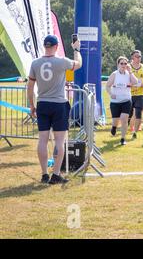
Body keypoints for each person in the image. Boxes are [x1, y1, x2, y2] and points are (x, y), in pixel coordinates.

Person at [27, 35, 82, 184]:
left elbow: (30, 86)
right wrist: (76, 49)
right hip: (58, 104)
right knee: (59, 141)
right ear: (56, 46)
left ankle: (44, 174)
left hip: (43, 103)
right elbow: (79, 64)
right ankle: (56, 174)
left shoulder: (35, 63)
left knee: (42, 140)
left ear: (45, 46)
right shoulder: (61, 61)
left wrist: (31, 105)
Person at [105, 56, 138, 145]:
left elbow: (135, 82)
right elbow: (107, 86)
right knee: (115, 120)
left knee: (124, 119)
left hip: (126, 100)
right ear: (118, 64)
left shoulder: (129, 74)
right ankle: (114, 127)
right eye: (121, 63)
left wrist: (131, 72)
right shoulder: (114, 74)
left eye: (125, 63)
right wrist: (111, 94)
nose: (123, 65)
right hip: (115, 102)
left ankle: (123, 139)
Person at [129, 50, 143, 139]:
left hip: (140, 93)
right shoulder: (128, 67)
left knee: (138, 112)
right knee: (129, 114)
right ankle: (130, 127)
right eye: (136, 56)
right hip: (129, 93)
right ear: (132, 57)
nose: (138, 58)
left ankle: (135, 132)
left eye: (139, 56)